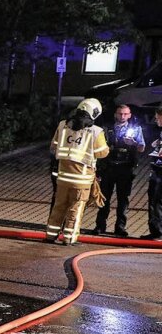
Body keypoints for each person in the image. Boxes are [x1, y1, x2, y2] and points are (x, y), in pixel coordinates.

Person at [46, 97, 109, 245]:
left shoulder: (63, 125)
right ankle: (69, 238)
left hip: (62, 176)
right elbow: (102, 153)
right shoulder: (95, 131)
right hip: (81, 179)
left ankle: (51, 235)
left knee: (59, 206)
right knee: (76, 208)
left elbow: (54, 146)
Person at [93, 104, 145, 237]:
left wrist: (133, 143)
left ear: (130, 115)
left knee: (123, 199)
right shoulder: (106, 128)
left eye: (125, 114)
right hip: (109, 167)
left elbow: (141, 148)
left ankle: (120, 227)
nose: (122, 116)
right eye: (120, 114)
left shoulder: (136, 129)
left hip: (126, 168)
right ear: (115, 114)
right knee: (104, 198)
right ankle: (100, 226)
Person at [143, 107, 162, 240]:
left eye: (158, 117)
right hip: (157, 169)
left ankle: (158, 232)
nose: (156, 120)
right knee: (155, 201)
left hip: (160, 172)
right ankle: (156, 231)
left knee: (157, 201)